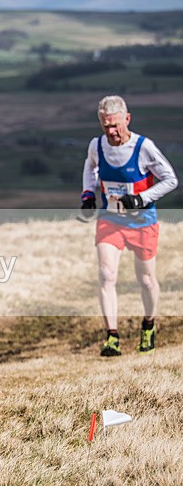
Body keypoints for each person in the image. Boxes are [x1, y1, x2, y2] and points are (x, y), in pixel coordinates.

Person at [80, 95, 178, 357]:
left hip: (142, 221)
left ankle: (148, 326)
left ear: (127, 119)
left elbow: (171, 179)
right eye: (105, 126)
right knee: (107, 275)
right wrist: (88, 194)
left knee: (145, 279)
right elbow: (90, 167)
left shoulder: (144, 147)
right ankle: (111, 337)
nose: (111, 132)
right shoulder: (97, 145)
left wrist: (142, 198)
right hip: (110, 219)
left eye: (115, 125)